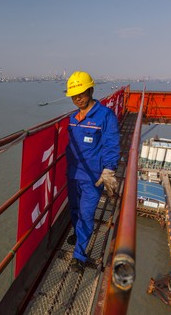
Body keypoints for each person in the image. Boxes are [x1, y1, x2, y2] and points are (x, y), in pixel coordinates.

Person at [65, 71, 120, 273]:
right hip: (73, 173)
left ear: (91, 90)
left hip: (92, 177)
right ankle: (78, 234)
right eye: (74, 95)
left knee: (87, 215)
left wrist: (109, 170)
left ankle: (79, 255)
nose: (78, 99)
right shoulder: (73, 118)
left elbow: (111, 144)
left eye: (81, 93)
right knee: (75, 210)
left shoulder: (105, 116)